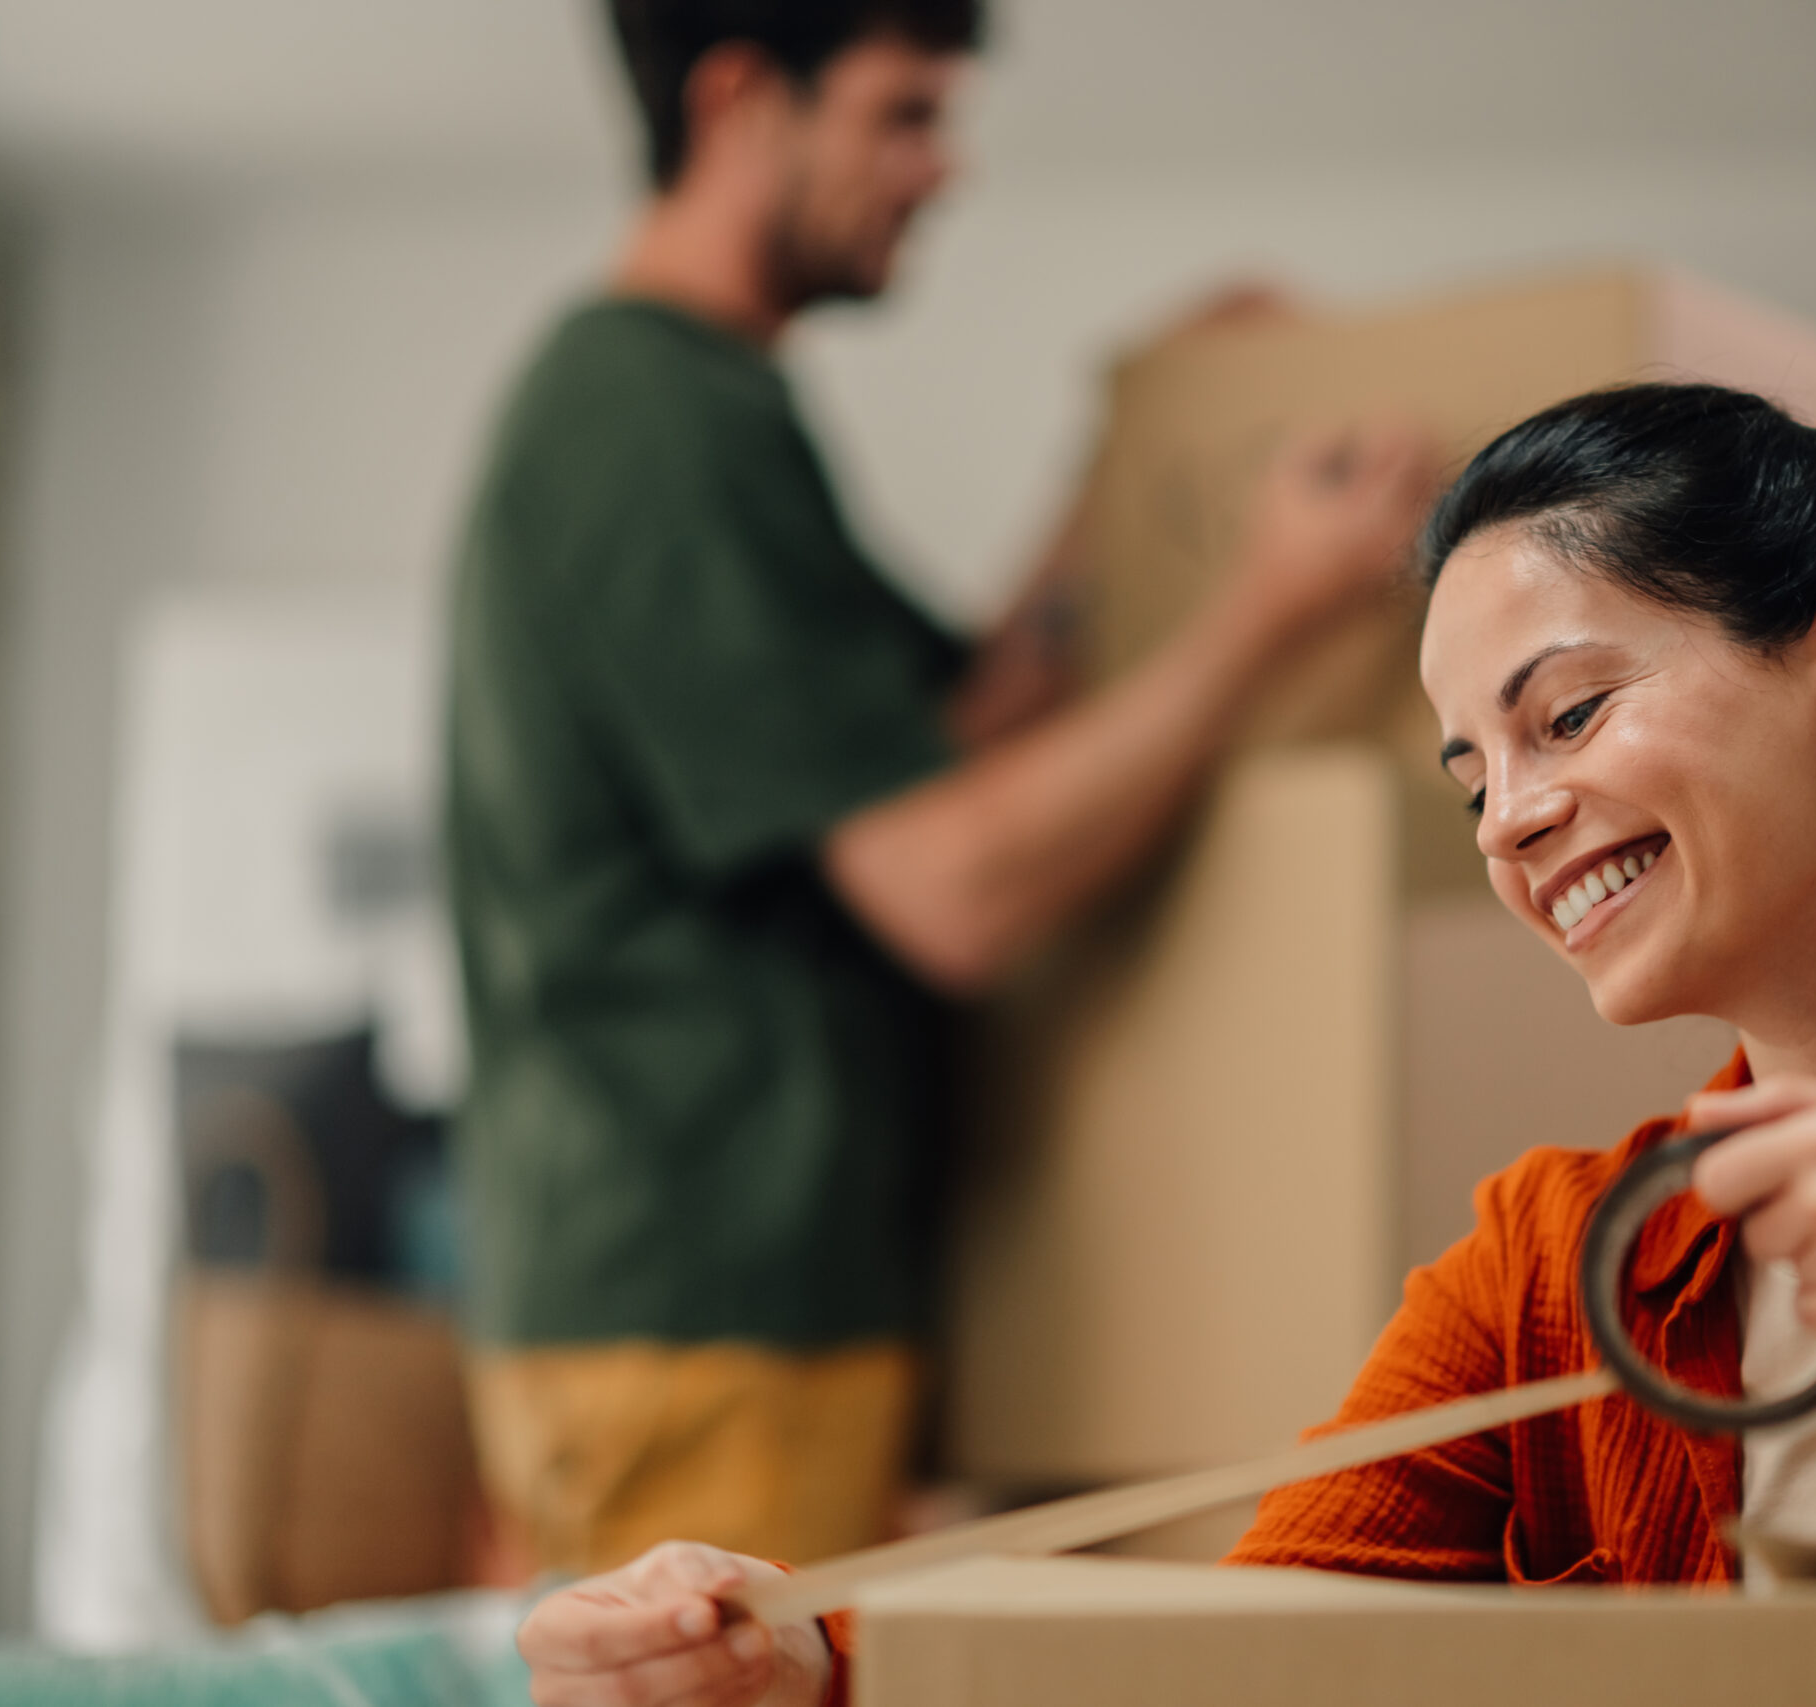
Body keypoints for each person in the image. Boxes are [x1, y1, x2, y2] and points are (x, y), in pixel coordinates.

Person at [507, 383, 1816, 1707]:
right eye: (1471, 769)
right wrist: (811, 1654)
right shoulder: (1562, 1268)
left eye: (1564, 714)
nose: (1510, 817)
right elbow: (1231, 1650)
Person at [446, 0, 1431, 1580]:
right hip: (708, 1316)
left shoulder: (705, 408)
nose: (941, 169)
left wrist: (1134, 440)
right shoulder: (648, 422)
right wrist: (1268, 613)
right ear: (740, 100)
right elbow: (955, 885)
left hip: (727, 1311)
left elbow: (961, 732)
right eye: (900, 115)